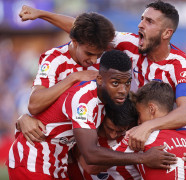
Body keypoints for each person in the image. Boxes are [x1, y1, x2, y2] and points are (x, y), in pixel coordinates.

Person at [19, 1, 186, 179]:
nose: (140, 25)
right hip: (135, 129)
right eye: (141, 19)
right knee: (93, 165)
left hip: (175, 138)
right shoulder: (130, 44)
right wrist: (41, 14)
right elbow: (86, 33)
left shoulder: (181, 65)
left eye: (149, 21)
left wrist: (146, 127)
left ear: (166, 33)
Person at [7, 50, 176, 179]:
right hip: (33, 161)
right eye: (116, 83)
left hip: (55, 164)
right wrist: (144, 158)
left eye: (127, 83)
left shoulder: (113, 105)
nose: (123, 90)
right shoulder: (85, 98)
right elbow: (90, 155)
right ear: (100, 79)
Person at [16, 11, 115, 145]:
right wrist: (73, 78)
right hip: (48, 144)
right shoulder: (54, 59)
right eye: (89, 53)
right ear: (74, 41)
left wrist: (39, 13)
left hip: (78, 144)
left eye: (98, 55)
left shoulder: (104, 58)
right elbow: (33, 105)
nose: (93, 60)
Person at [113, 81, 186, 179]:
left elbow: (100, 164)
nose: (138, 121)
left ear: (152, 109)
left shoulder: (142, 136)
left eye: (139, 114)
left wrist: (143, 158)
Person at [68, 99, 141, 180]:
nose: (113, 135)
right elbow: (90, 167)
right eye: (109, 128)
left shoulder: (135, 135)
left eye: (120, 131)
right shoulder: (85, 134)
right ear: (102, 118)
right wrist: (140, 157)